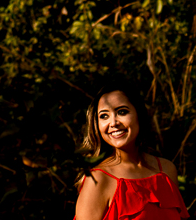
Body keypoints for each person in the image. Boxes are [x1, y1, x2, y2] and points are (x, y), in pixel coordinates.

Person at [75, 82, 189, 220]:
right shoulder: (98, 180)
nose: (113, 123)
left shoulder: (166, 170)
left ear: (139, 115)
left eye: (122, 112)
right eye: (104, 116)